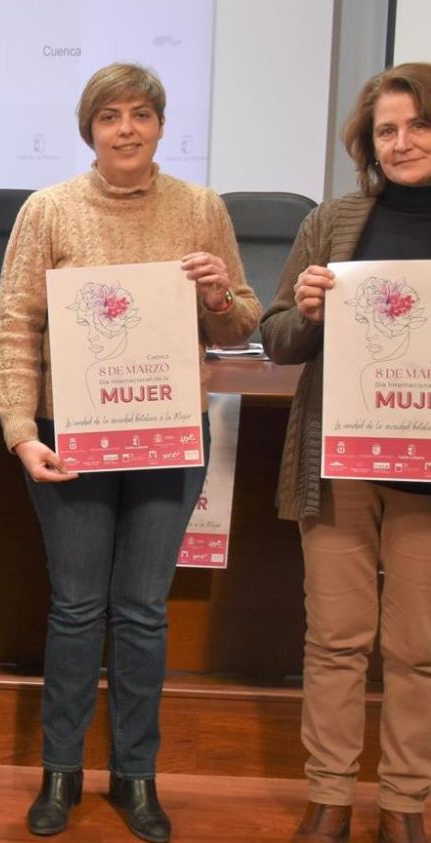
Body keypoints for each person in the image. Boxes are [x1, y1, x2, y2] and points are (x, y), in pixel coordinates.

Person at [0, 63, 260, 842]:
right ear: (90, 130)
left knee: (141, 613)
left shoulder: (200, 208)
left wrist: (217, 293)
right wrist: (20, 430)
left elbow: (239, 322)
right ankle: (61, 772)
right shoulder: (49, 211)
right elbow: (15, 329)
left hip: (167, 437)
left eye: (142, 113)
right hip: (70, 436)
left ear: (161, 125)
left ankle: (136, 775)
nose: (127, 128)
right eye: (110, 116)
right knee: (77, 609)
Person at [261, 63, 431, 843]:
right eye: (387, 130)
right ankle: (329, 796)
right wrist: (305, 309)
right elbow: (277, 339)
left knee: (418, 647)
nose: (403, 143)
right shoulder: (334, 220)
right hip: (339, 459)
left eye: (419, 125)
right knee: (335, 637)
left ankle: (404, 802)